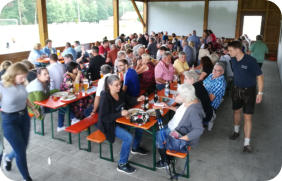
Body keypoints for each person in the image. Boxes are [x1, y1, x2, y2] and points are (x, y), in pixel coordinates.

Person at [97, 75, 146, 174]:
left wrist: (137, 99)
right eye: (116, 85)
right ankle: (122, 164)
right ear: (109, 86)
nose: (119, 87)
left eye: (120, 84)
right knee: (128, 138)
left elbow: (128, 99)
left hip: (121, 119)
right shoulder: (105, 98)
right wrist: (120, 113)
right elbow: (104, 117)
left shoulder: (120, 92)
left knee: (140, 126)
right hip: (110, 125)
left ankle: (135, 147)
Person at [0, 63, 40, 181]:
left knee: (23, 146)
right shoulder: (2, 86)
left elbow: (24, 97)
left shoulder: (21, 83)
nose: (24, 80)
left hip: (24, 117)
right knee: (21, 151)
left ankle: (8, 157)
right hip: (8, 121)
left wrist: (33, 108)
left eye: (24, 77)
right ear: (13, 74)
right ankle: (26, 178)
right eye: (21, 77)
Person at [155, 84, 204, 168]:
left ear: (185, 97)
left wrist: (182, 139)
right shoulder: (191, 101)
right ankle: (167, 156)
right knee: (160, 131)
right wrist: (169, 107)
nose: (176, 95)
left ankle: (165, 160)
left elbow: (199, 129)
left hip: (177, 131)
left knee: (158, 135)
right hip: (173, 125)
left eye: (178, 94)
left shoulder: (193, 110)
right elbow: (180, 111)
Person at [228, 41, 263, 153]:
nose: (229, 52)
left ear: (238, 49)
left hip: (249, 91)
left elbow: (259, 77)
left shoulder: (251, 61)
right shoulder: (233, 60)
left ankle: (246, 144)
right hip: (236, 89)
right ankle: (236, 131)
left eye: (230, 50)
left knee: (248, 117)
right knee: (236, 111)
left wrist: (260, 93)